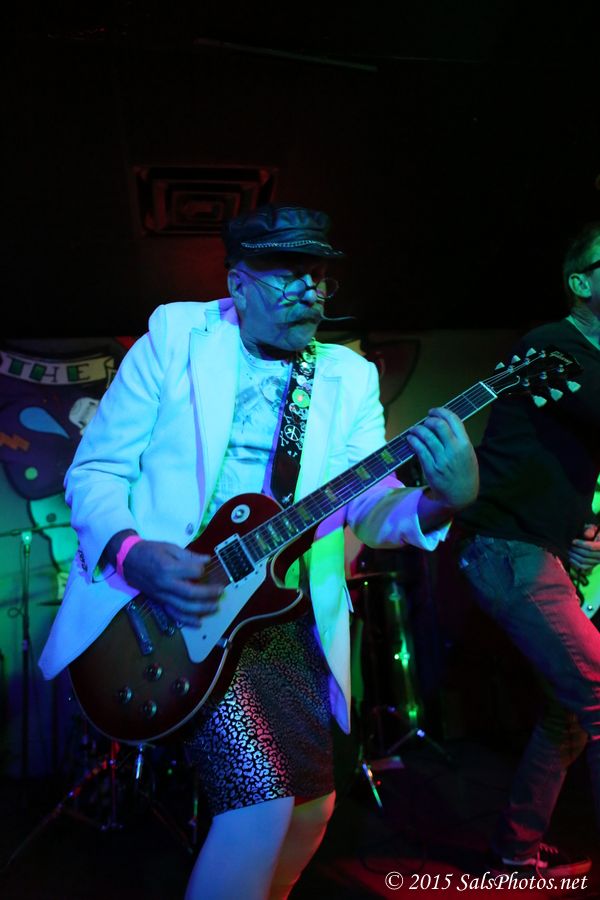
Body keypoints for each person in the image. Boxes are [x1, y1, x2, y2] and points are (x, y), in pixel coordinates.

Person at [39, 203, 478, 900]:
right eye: (287, 274)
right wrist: (133, 553)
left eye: (319, 276)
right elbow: (96, 472)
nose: (310, 291)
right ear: (237, 283)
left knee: (312, 810)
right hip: (167, 605)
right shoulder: (175, 336)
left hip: (279, 613)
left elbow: (369, 505)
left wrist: (439, 502)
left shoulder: (348, 375)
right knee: (262, 806)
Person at [454, 220, 600, 881]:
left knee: (568, 715)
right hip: (506, 549)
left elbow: (560, 462)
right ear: (581, 283)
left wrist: (587, 532)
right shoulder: (555, 345)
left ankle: (515, 849)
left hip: (538, 550)